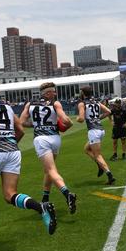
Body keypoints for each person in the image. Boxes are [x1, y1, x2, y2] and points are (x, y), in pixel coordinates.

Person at [0, 78, 57, 251]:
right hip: (13, 152)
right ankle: (41, 207)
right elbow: (21, 129)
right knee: (10, 195)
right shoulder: (7, 105)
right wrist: (9, 144)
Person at [19, 82, 77, 214]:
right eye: (53, 92)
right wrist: (67, 126)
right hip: (55, 139)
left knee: (51, 170)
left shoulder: (30, 104)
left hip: (41, 139)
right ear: (47, 93)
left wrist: (35, 125)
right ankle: (45, 198)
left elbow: (21, 122)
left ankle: (67, 194)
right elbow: (67, 121)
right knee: (48, 170)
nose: (55, 94)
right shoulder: (55, 104)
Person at [77, 86, 115, 185]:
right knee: (86, 149)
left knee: (97, 155)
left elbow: (81, 119)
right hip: (100, 130)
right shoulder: (96, 102)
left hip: (93, 131)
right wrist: (98, 118)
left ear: (83, 93)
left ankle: (109, 175)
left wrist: (77, 119)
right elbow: (109, 112)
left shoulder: (82, 103)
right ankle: (100, 165)